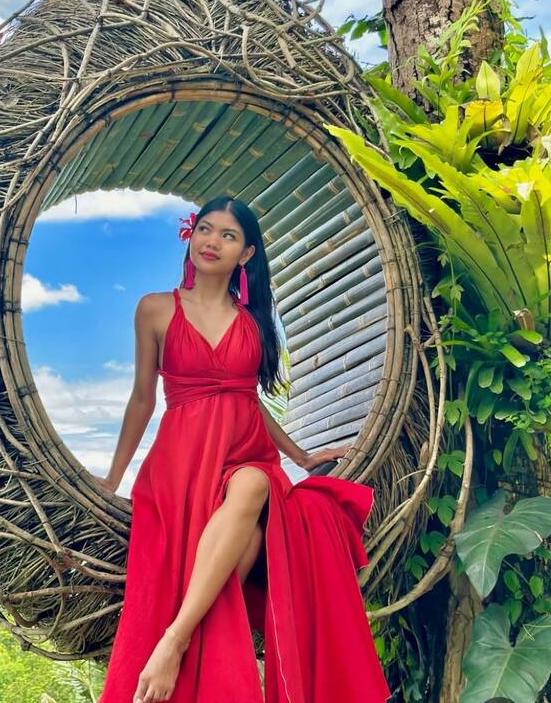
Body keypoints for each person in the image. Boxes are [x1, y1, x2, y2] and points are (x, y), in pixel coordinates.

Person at [96, 195, 392, 702]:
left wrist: (300, 458)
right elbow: (142, 399)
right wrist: (113, 477)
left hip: (246, 455)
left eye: (228, 235)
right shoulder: (155, 309)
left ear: (246, 253)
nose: (212, 241)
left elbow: (247, 399)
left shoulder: (253, 321)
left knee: (255, 483)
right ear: (191, 236)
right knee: (232, 566)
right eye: (205, 229)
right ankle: (181, 651)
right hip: (181, 464)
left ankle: (172, 641)